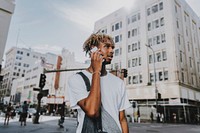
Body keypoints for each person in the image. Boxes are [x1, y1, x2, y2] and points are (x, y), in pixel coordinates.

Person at [68, 32, 131, 133]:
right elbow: (92, 111)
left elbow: (122, 119)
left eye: (112, 47)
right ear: (94, 49)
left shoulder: (119, 83)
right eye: (106, 46)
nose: (111, 51)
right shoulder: (76, 79)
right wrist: (96, 71)